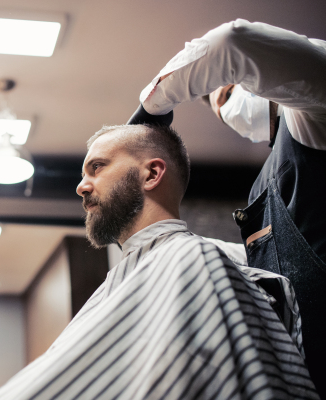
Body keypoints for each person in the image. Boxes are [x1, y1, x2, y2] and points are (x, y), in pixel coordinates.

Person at [0, 122, 317, 399]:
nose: (81, 186)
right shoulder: (134, 275)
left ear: (152, 174)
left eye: (97, 167)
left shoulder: (194, 260)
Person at [136, 19, 326, 395]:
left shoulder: (314, 116)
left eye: (228, 94)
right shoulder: (274, 172)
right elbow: (290, 261)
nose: (226, 110)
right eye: (219, 108)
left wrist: (150, 109)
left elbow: (231, 43)